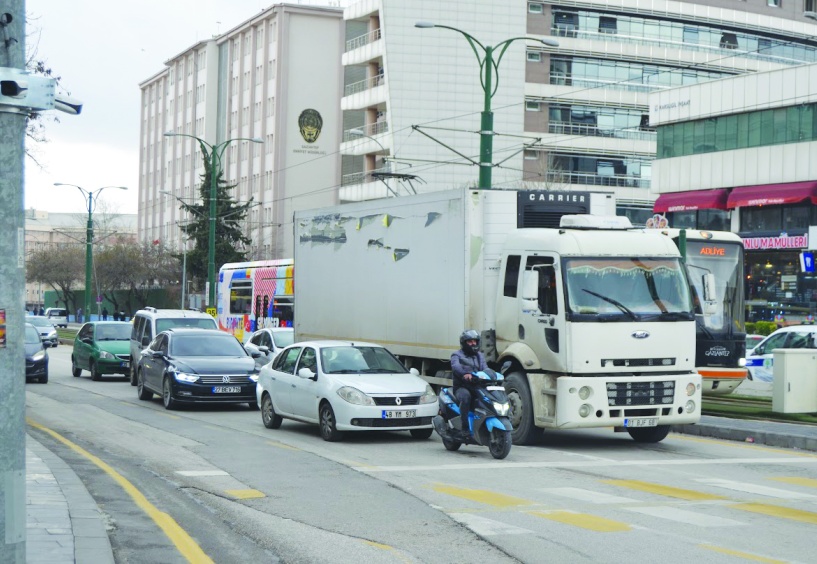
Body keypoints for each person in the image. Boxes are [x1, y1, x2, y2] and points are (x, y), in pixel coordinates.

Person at [450, 329, 488, 438]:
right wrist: (465, 373)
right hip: (462, 387)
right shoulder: (456, 355)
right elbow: (455, 367)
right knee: (466, 397)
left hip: (477, 386)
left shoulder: (480, 356)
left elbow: (485, 368)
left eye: (475, 341)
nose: (473, 344)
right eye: (470, 341)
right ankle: (465, 428)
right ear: (464, 343)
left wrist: (492, 375)